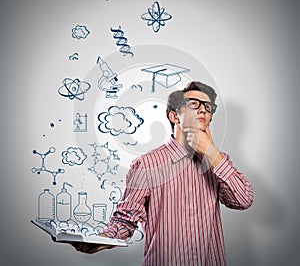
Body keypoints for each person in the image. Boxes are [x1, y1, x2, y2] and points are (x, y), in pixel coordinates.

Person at [71, 81, 254, 265]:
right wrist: (102, 239)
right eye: (193, 104)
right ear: (175, 116)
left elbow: (243, 200)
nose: (203, 110)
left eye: (208, 106)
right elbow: (126, 219)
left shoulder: (218, 162)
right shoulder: (146, 164)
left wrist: (212, 153)